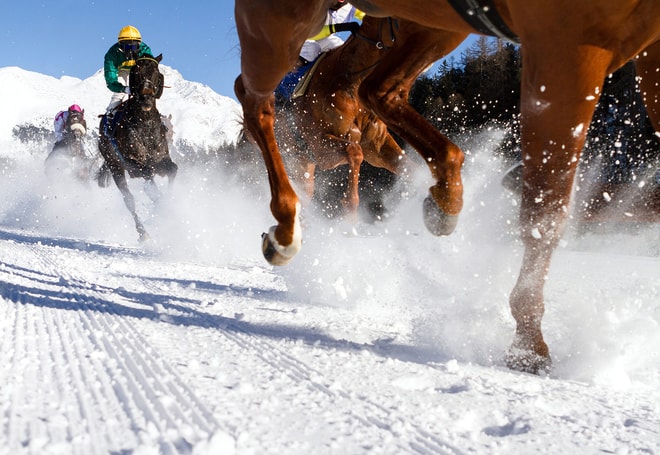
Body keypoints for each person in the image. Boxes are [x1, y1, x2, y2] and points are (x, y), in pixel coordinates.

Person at [103, 25, 154, 113]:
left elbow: (150, 70)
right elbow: (111, 81)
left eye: (133, 47)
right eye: (127, 47)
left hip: (138, 71)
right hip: (121, 71)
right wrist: (123, 89)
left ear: (139, 45)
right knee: (118, 95)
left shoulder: (145, 50)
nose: (130, 51)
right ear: (120, 45)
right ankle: (110, 114)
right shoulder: (112, 54)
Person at [299, 0, 364, 65]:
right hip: (299, 38)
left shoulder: (351, 6)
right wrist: (339, 27)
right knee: (311, 49)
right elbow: (311, 34)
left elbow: (368, 12)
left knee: (342, 50)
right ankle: (292, 73)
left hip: (322, 38)